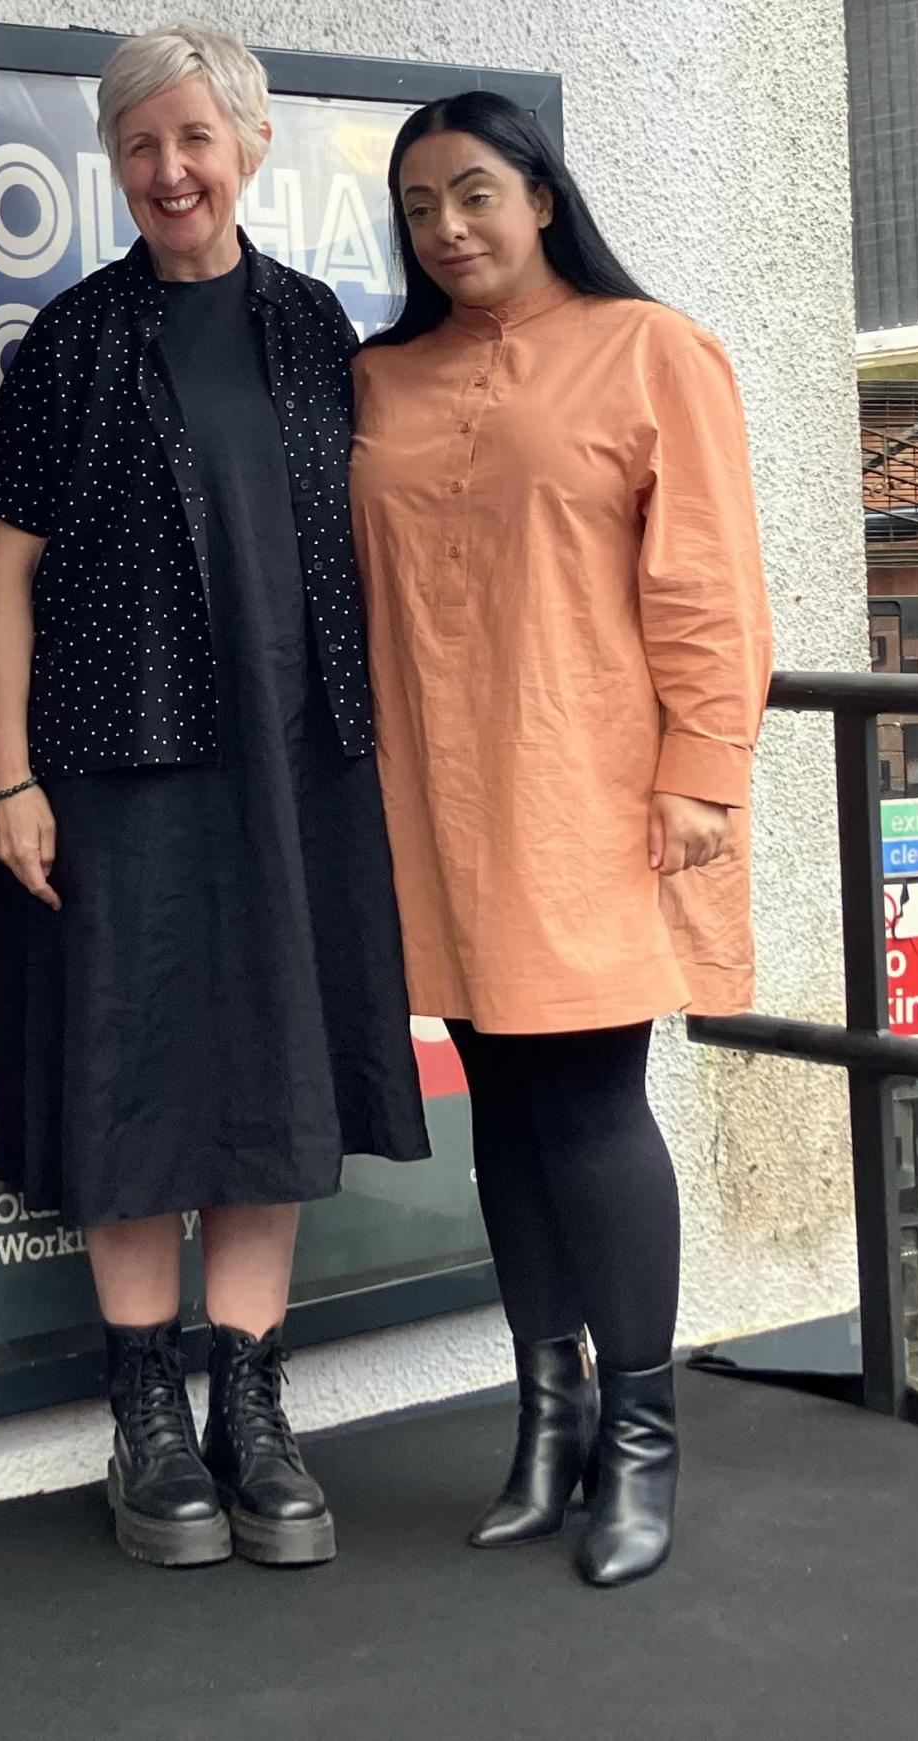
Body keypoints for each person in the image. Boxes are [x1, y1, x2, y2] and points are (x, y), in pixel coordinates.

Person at [0, 23, 430, 1569]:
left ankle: (253, 1402)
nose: (169, 169)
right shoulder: (74, 346)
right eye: (140, 145)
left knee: (272, 1077)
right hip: (118, 770)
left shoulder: (319, 335)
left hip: (296, 767)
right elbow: (3, 579)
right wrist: (7, 777)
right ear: (117, 165)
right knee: (132, 1069)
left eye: (193, 139)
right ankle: (144, 1410)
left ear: (250, 148)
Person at [349, 91, 771, 1588]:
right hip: (436, 797)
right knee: (507, 1109)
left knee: (592, 1105)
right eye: (416, 209)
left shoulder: (652, 348)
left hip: (591, 789)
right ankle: (548, 1420)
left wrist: (703, 770)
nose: (447, 229)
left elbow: (710, 582)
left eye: (473, 193)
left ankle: (642, 1439)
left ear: (539, 194)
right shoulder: (380, 379)